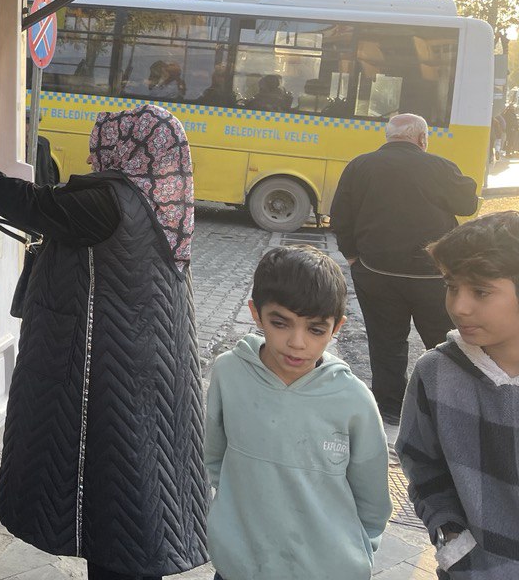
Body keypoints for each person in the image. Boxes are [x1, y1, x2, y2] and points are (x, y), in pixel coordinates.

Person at [0, 103, 208, 580]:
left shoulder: (109, 201)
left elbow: (33, 203)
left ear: (118, 146)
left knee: (117, 498)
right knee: (139, 490)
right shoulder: (161, 198)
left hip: (112, 372)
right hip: (150, 365)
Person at [204, 246, 392, 580]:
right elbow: (215, 458)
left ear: (336, 328)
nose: (297, 342)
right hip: (239, 567)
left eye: (316, 329)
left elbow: (372, 500)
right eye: (281, 323)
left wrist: (355, 550)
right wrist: (232, 525)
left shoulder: (354, 400)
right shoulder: (229, 372)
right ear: (256, 314)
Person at [329, 112, 479, 425]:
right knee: (443, 342)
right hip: (433, 276)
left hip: (376, 272)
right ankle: (445, 407)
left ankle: (389, 410)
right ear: (422, 139)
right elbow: (468, 204)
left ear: (389, 137)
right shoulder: (438, 166)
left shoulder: (360, 165)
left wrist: (353, 257)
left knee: (385, 342)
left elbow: (340, 215)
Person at [396, 211, 519, 579]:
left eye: (480, 291)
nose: (460, 306)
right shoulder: (435, 373)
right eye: (452, 286)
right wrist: (452, 538)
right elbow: (420, 463)